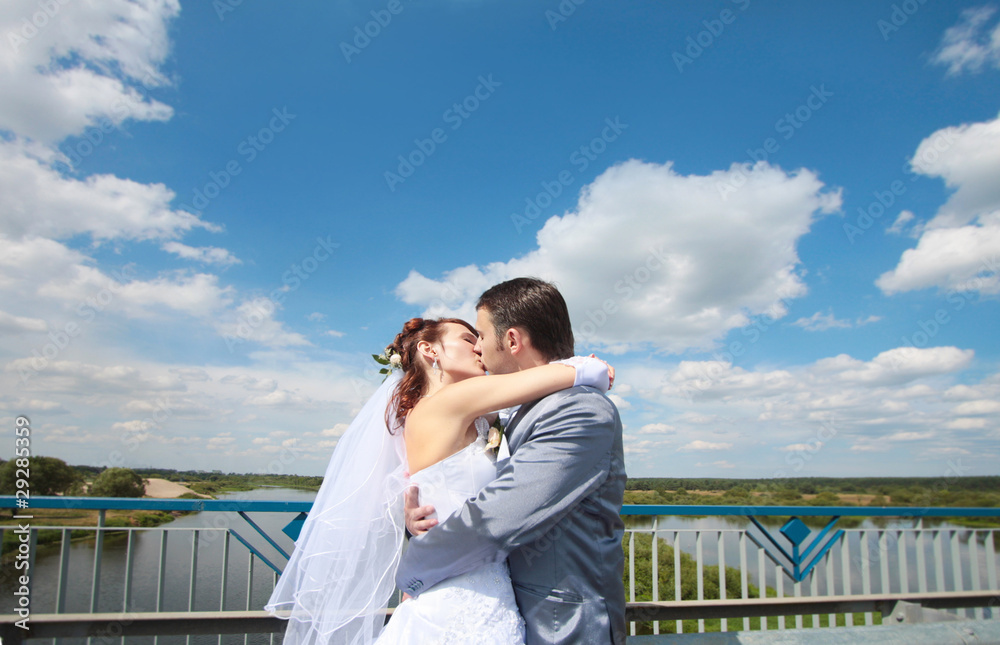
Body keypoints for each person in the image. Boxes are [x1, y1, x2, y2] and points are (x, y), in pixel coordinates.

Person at [266, 312, 613, 644]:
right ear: (430, 350)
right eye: (468, 338)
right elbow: (576, 373)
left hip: (469, 581)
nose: (479, 346)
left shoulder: (460, 412)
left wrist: (408, 519)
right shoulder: (450, 401)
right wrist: (589, 365)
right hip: (461, 593)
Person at [397, 278, 627, 644]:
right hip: (492, 599)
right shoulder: (505, 412)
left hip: (562, 622)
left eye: (482, 338)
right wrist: (417, 519)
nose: (479, 350)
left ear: (513, 341)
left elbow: (499, 515)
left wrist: (416, 564)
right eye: (468, 340)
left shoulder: (579, 408)